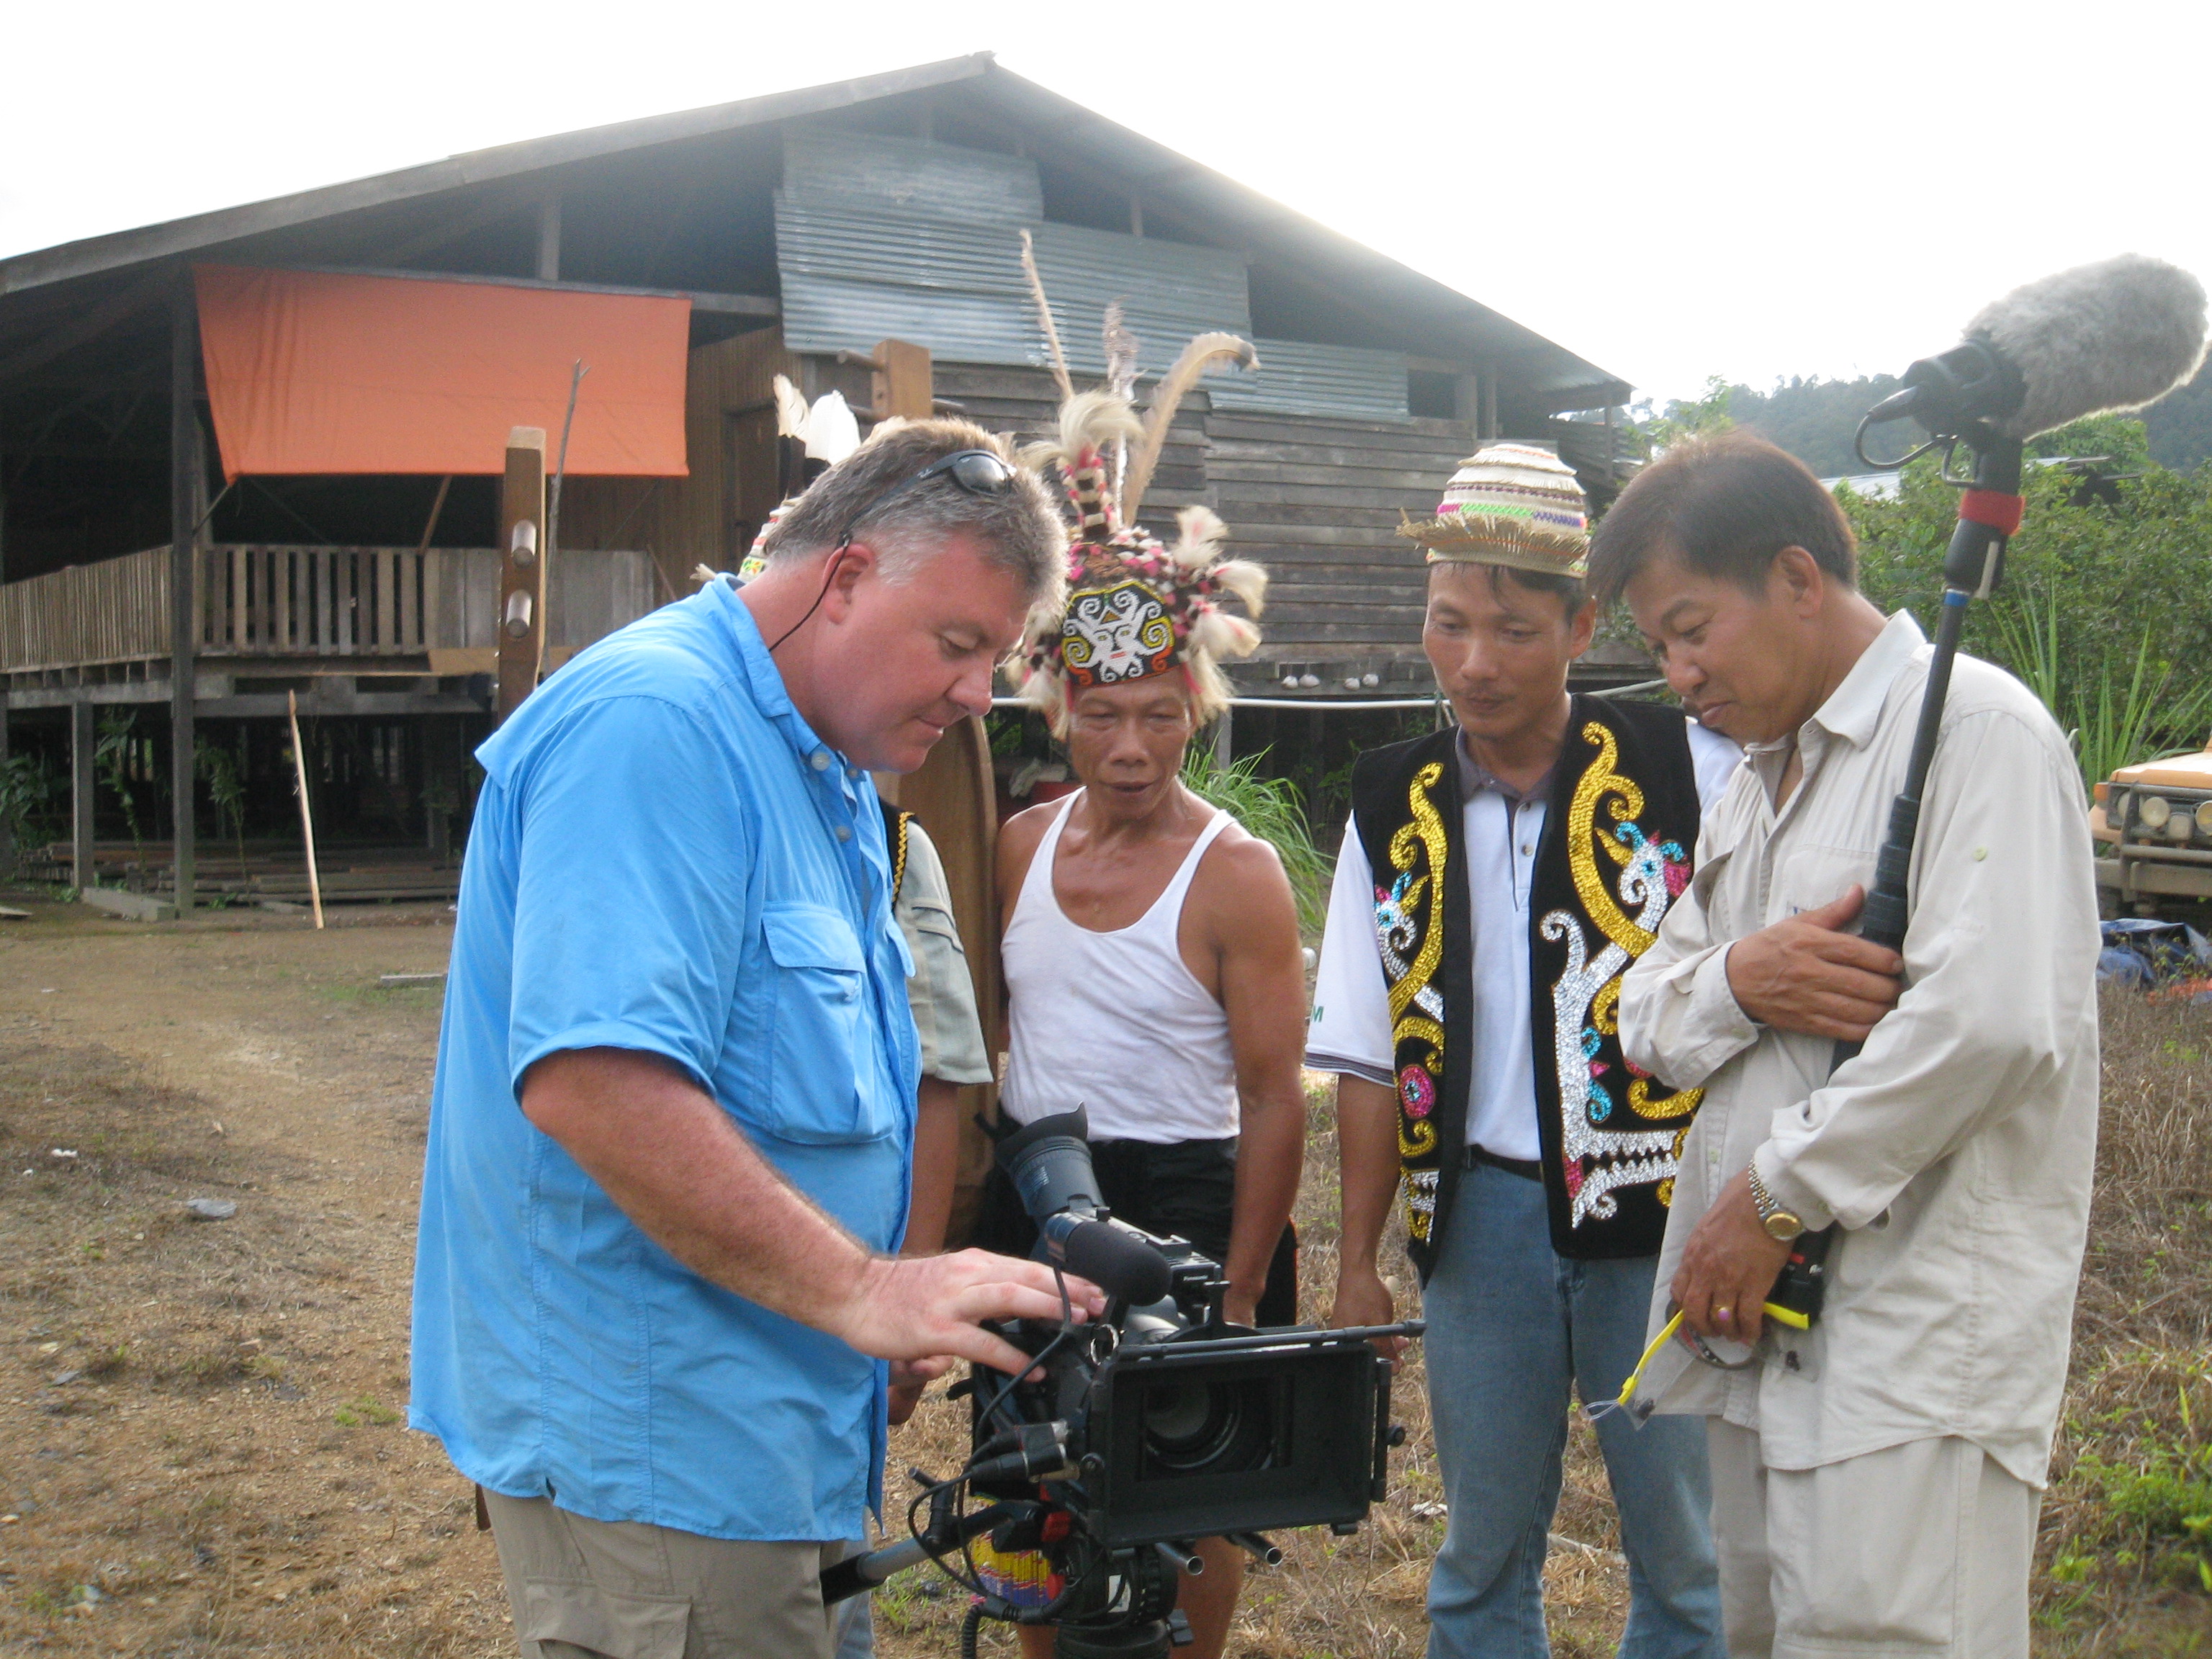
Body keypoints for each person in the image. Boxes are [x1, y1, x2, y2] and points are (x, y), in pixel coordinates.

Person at [408, 418, 1107, 1659]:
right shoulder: (656, 725)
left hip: (776, 1421)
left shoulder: (824, 763)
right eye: (958, 644)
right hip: (660, 1447)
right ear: (843, 579)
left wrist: (862, 1318)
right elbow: (596, 1082)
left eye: (995, 658)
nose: (977, 694)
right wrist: (858, 1287)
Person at [1592, 431, 2099, 1658]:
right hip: (1767, 1344)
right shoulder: (1758, 778)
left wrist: (1774, 1198)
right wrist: (1745, 980)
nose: (1678, 674)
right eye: (1658, 647)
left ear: (1799, 581)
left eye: (1692, 627)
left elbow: (1990, 1025)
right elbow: (1644, 1014)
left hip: (1914, 1346)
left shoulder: (1981, 735)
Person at [1307, 442, 1737, 1659]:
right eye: (1449, 624)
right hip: (1476, 1222)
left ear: (1583, 622)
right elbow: (1367, 1053)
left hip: (1658, 1217)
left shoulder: (1687, 768)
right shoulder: (1390, 799)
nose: (1476, 662)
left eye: (1512, 628)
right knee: (1482, 1553)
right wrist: (1358, 1262)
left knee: (1685, 1553)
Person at [974, 384, 1309, 1659]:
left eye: (1159, 715)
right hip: (1043, 1194)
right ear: (1062, 710)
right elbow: (988, 1046)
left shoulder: (1236, 876)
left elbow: (1276, 1093)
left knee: (1194, 1485)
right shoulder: (1015, 846)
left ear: (1195, 709)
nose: (1130, 746)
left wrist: (1240, 1280)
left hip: (1188, 1199)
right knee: (1029, 1465)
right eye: (1104, 716)